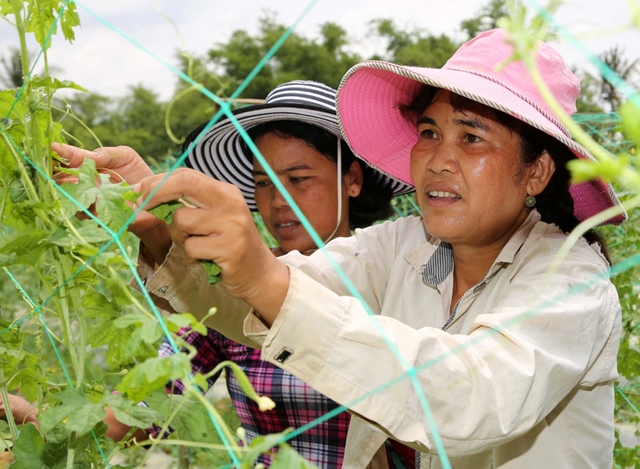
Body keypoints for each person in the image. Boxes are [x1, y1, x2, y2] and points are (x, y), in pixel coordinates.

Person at [129, 29, 624, 468]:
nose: (437, 160)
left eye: (472, 137)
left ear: (536, 171)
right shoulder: (401, 246)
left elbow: (479, 397)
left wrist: (265, 278)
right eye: (429, 133)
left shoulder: (572, 278)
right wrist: (160, 228)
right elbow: (268, 301)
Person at [47, 81, 412, 467]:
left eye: (299, 179)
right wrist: (47, 434)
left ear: (352, 179)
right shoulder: (230, 289)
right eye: (262, 183)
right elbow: (154, 401)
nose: (277, 201)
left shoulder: (397, 280)